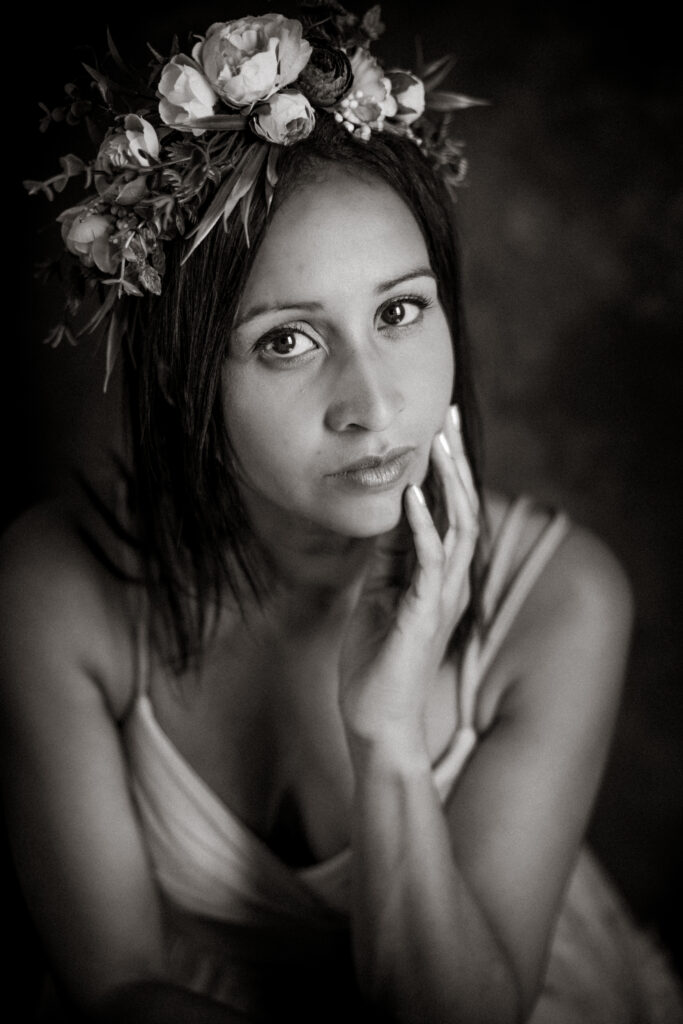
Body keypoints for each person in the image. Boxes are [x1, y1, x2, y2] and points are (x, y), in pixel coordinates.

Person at [3, 3, 682, 1022]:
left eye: (399, 311)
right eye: (287, 340)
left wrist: (387, 736)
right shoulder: (55, 588)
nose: (372, 404)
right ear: (186, 377)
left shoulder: (560, 600)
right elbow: (117, 987)